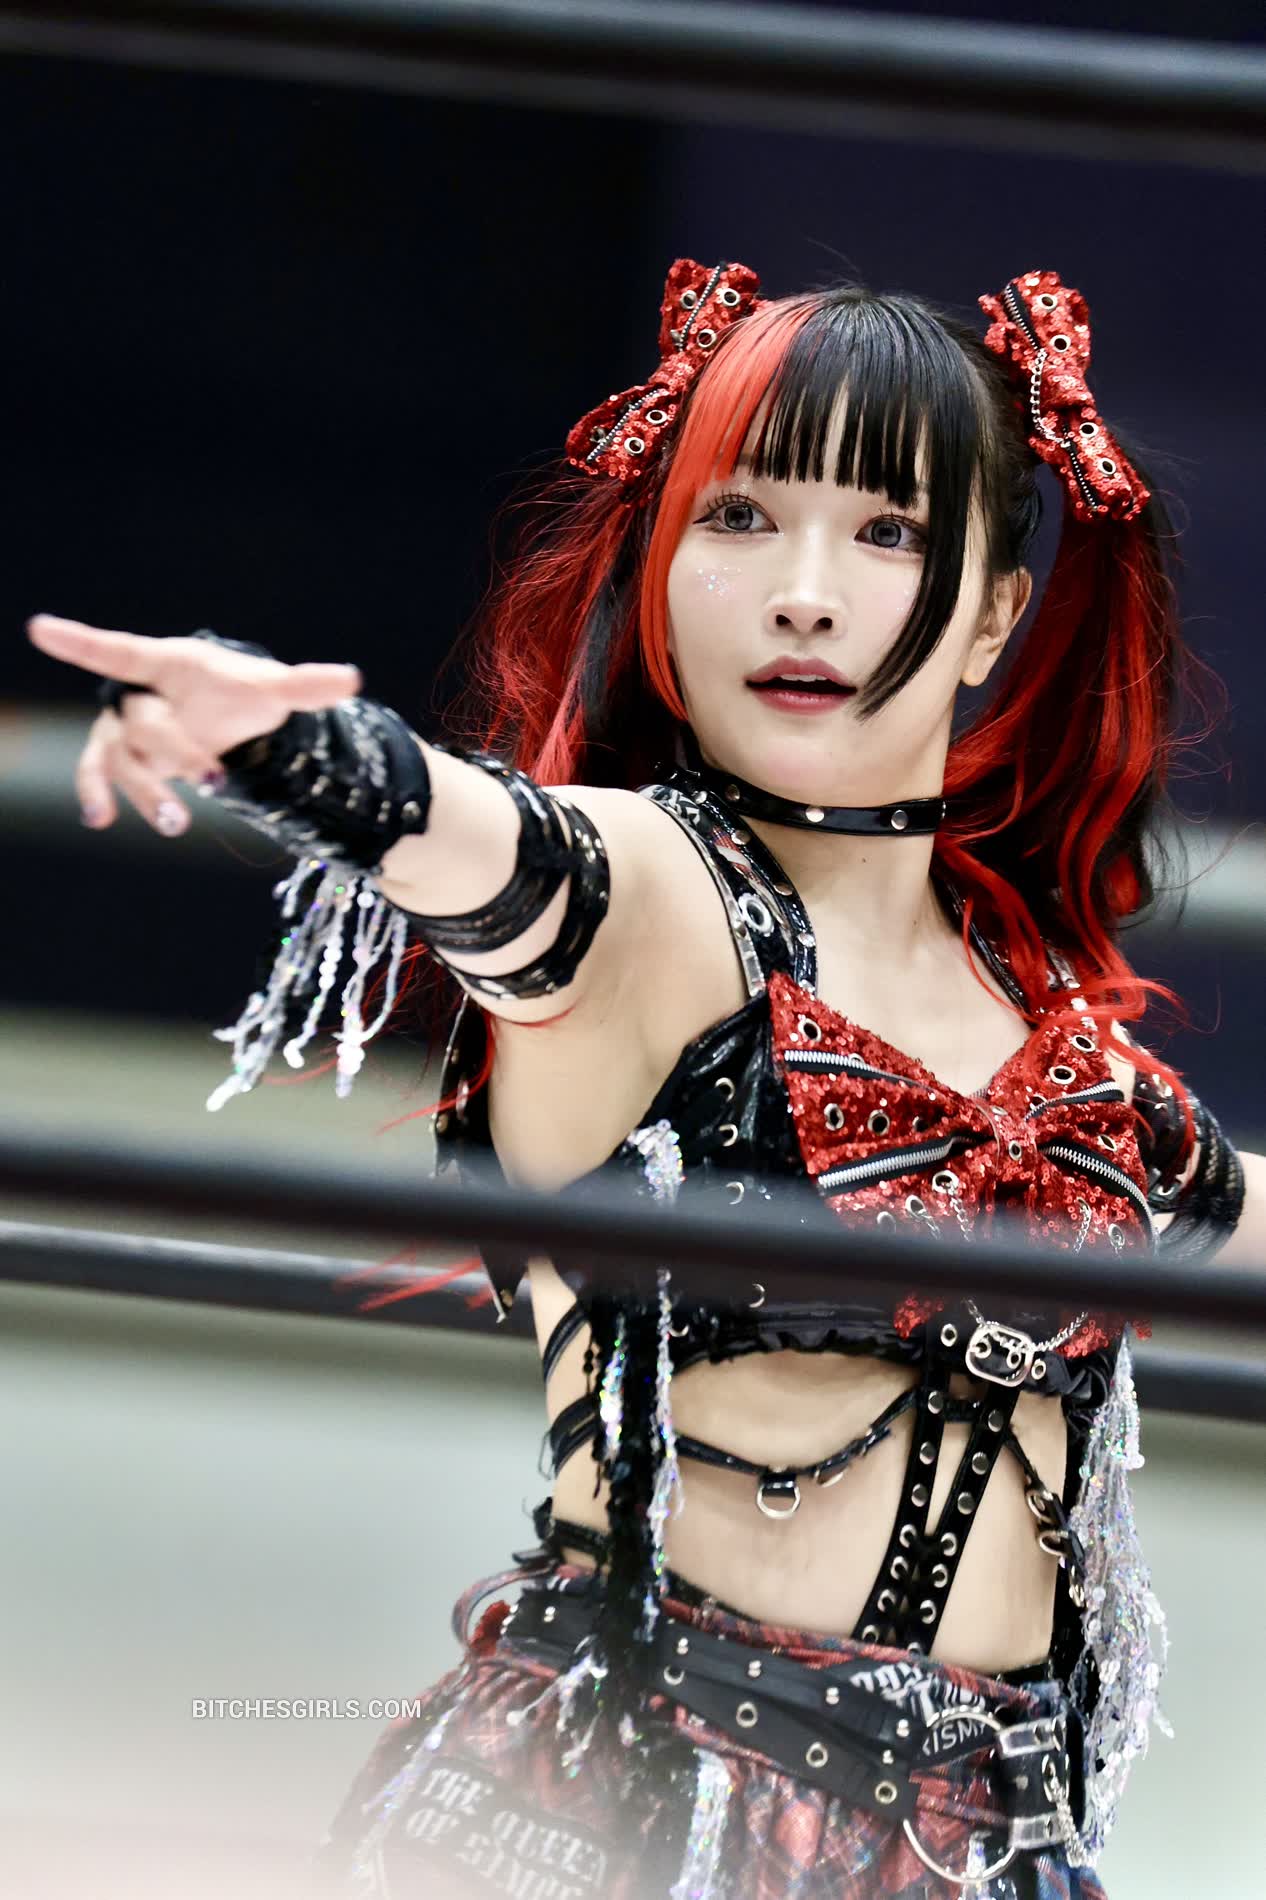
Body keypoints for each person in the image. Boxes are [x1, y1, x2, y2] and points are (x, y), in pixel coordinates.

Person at [28, 259, 1260, 1899]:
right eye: (737, 518)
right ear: (660, 566)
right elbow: (470, 836)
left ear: (991, 613)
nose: (801, 594)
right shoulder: (648, 900)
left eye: (885, 533)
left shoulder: (1051, 1025)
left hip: (994, 1852)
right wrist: (281, 747)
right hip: (627, 1821)